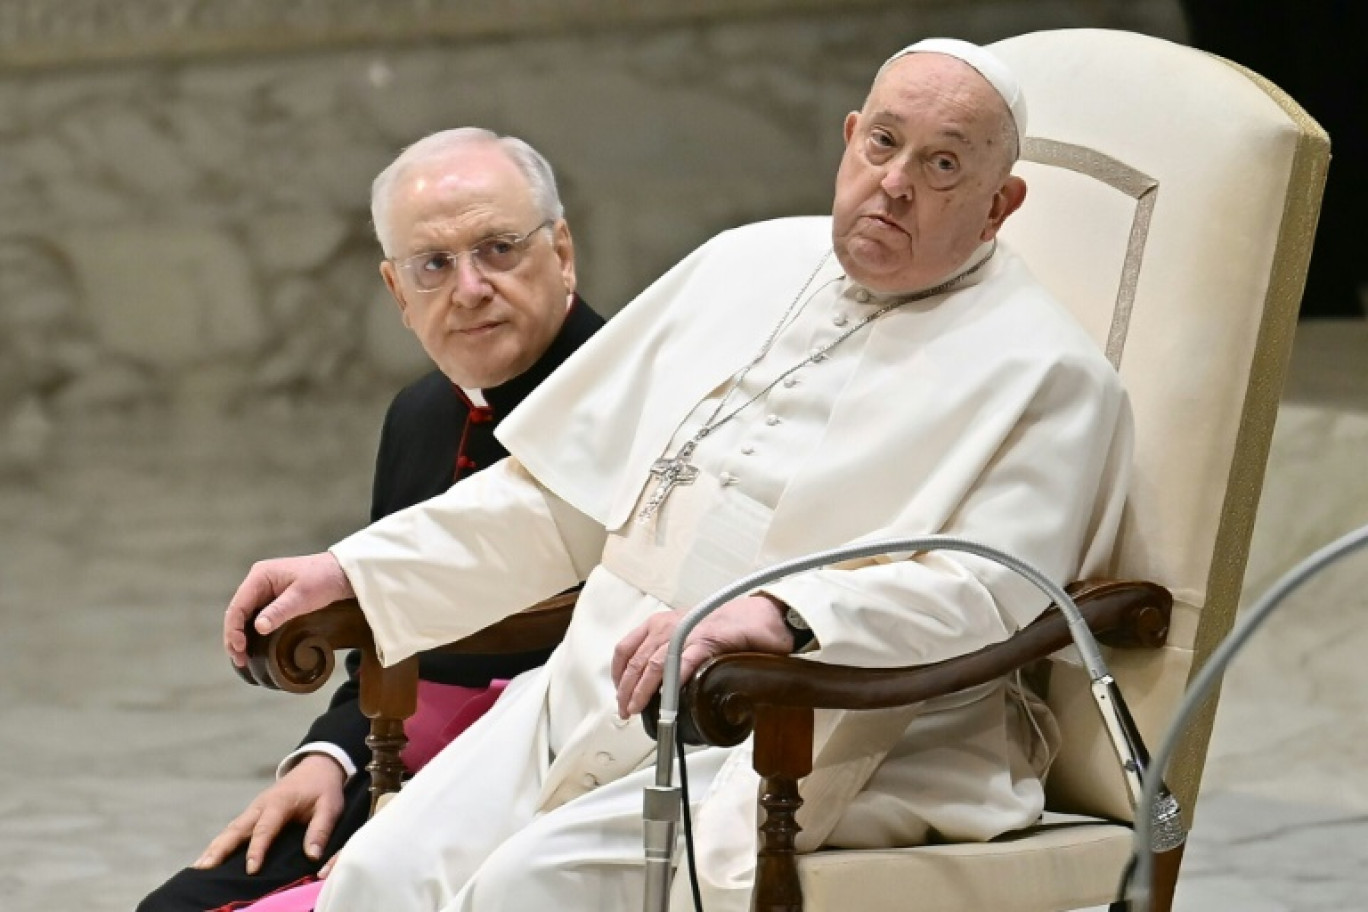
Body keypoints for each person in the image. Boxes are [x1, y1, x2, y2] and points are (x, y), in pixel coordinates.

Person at [222, 39, 1132, 912]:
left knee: (530, 892)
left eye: (943, 167)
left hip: (828, 729)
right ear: (851, 136)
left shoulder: (1047, 376)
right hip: (592, 686)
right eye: (885, 143)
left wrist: (785, 616)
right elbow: (558, 501)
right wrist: (352, 570)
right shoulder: (741, 263)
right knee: (380, 876)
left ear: (1000, 203)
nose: (894, 184)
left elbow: (992, 589)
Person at [140, 128, 604, 912]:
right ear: (397, 294)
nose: (469, 287)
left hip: (553, 776)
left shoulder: (635, 393)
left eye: (498, 248)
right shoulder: (420, 415)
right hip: (395, 756)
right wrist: (328, 756)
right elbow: (384, 650)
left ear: (561, 252)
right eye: (434, 265)